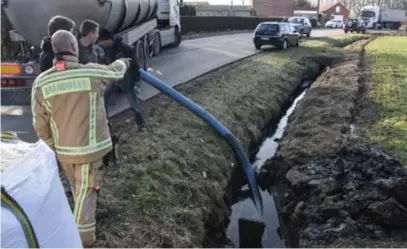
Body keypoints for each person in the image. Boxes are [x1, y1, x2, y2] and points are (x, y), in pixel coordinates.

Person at [31, 30, 132, 246]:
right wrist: (124, 61)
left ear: (55, 50)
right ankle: (82, 241)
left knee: (79, 191)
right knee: (86, 196)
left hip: (64, 155)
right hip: (91, 152)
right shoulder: (90, 74)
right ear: (75, 48)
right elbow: (115, 72)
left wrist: (52, 154)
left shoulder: (41, 83)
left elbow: (40, 125)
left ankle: (76, 228)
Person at [98, 28, 146, 131]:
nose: (103, 44)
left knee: (134, 104)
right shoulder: (106, 49)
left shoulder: (125, 49)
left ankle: (141, 125)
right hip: (115, 80)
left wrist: (136, 82)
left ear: (109, 39)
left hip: (127, 81)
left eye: (104, 41)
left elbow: (135, 65)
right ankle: (106, 124)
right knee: (104, 95)